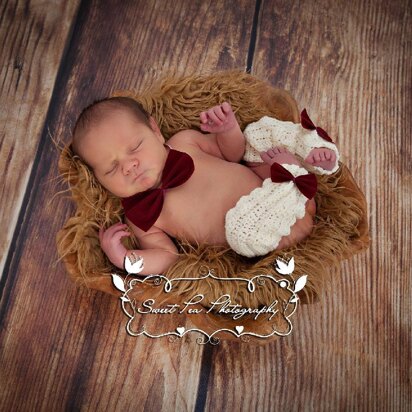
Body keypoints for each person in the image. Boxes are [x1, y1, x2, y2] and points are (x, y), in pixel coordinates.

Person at [70, 97, 339, 275]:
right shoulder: (140, 216)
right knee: (243, 233)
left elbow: (232, 153)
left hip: (290, 196)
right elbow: (167, 257)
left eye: (135, 147)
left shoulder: (184, 142)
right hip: (263, 239)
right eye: (111, 168)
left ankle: (312, 157)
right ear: (98, 179)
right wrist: (125, 258)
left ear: (154, 130)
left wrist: (227, 129)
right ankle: (292, 171)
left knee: (259, 138)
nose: (129, 166)